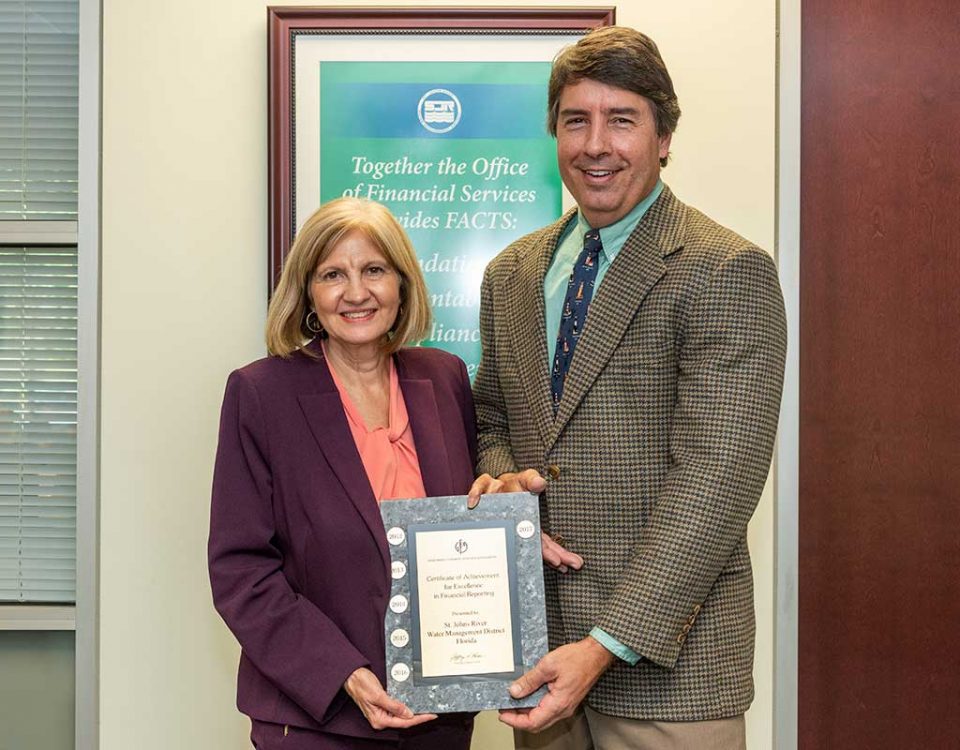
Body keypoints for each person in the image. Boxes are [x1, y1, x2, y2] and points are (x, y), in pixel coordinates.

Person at [468, 26, 787, 749]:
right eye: (576, 120)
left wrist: (606, 643)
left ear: (665, 136)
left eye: (622, 120)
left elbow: (718, 479)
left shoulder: (724, 270)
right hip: (541, 658)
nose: (595, 144)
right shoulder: (511, 272)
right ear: (554, 133)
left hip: (671, 676)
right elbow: (489, 417)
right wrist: (502, 482)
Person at [209, 197, 476, 750]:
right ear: (309, 294)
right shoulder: (261, 394)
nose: (356, 292)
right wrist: (343, 674)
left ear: (402, 284)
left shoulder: (445, 379)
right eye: (333, 274)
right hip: (319, 719)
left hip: (438, 719)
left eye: (374, 269)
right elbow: (242, 571)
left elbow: (466, 530)